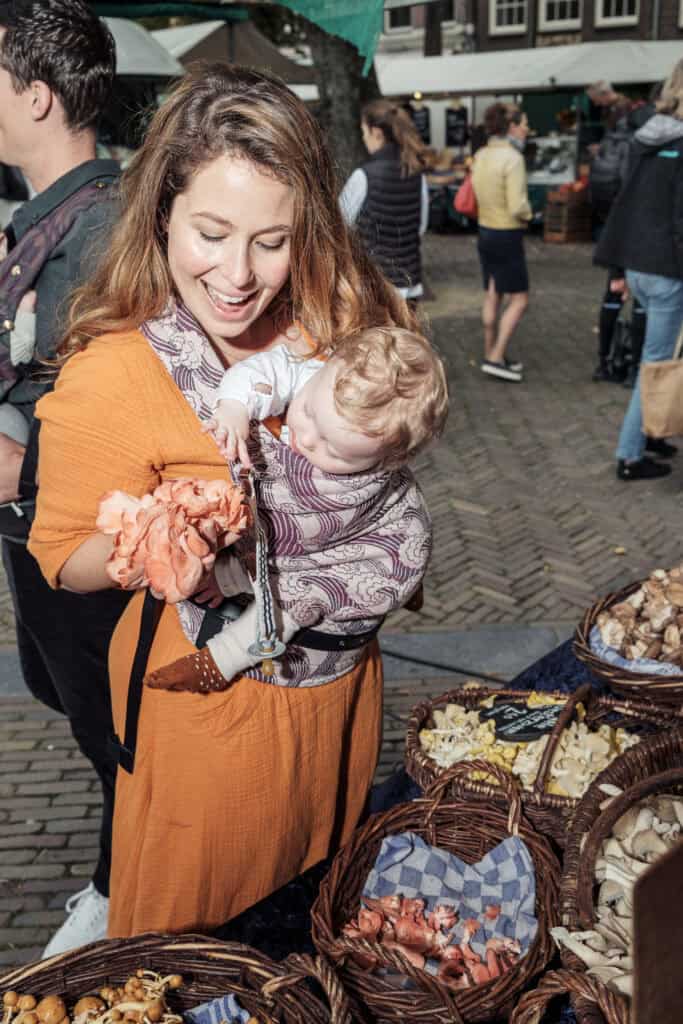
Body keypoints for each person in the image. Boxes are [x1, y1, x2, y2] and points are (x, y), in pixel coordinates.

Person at [27, 63, 432, 939]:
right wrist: (151, 538)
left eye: (272, 240)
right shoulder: (109, 374)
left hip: (340, 696)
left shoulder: (340, 325)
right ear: (162, 210)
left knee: (319, 936)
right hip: (207, 725)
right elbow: (61, 555)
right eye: (210, 232)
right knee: (197, 955)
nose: (239, 276)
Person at [0, 0, 130, 956]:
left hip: (72, 526)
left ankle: (125, 889)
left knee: (114, 728)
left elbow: (138, 415)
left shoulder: (102, 233)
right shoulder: (54, 217)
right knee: (67, 696)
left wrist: (19, 463)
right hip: (33, 523)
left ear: (36, 97)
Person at [144, 326, 447, 692]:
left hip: (353, 551)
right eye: (306, 411)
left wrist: (230, 578)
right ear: (325, 367)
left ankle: (220, 661)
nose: (306, 438)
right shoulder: (322, 375)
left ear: (389, 460)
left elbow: (302, 547)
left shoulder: (370, 477)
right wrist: (235, 407)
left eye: (333, 451)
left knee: (295, 604)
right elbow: (261, 373)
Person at [595, 59, 683, 482]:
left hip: (638, 265)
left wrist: (617, 267)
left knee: (659, 357)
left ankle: (655, 434)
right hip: (668, 269)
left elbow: (625, 204)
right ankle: (630, 456)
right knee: (656, 361)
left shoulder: (646, 138)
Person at [586, 81, 650, 385]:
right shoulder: (645, 141)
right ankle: (636, 370)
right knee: (639, 298)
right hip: (639, 223)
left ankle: (604, 363)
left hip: (614, 223)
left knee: (613, 291)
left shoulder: (612, 137)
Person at [340, 99, 430, 303]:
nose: (363, 138)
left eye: (364, 131)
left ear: (377, 133)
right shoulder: (417, 175)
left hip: (375, 288)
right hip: (410, 286)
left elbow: (339, 226)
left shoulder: (363, 176)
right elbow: (421, 226)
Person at [471, 103, 531, 383]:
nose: (527, 128)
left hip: (485, 232)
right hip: (507, 233)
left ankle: (489, 353)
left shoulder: (480, 155)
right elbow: (517, 205)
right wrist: (531, 215)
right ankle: (496, 357)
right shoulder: (513, 158)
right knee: (519, 299)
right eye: (524, 123)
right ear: (511, 126)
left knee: (493, 292)